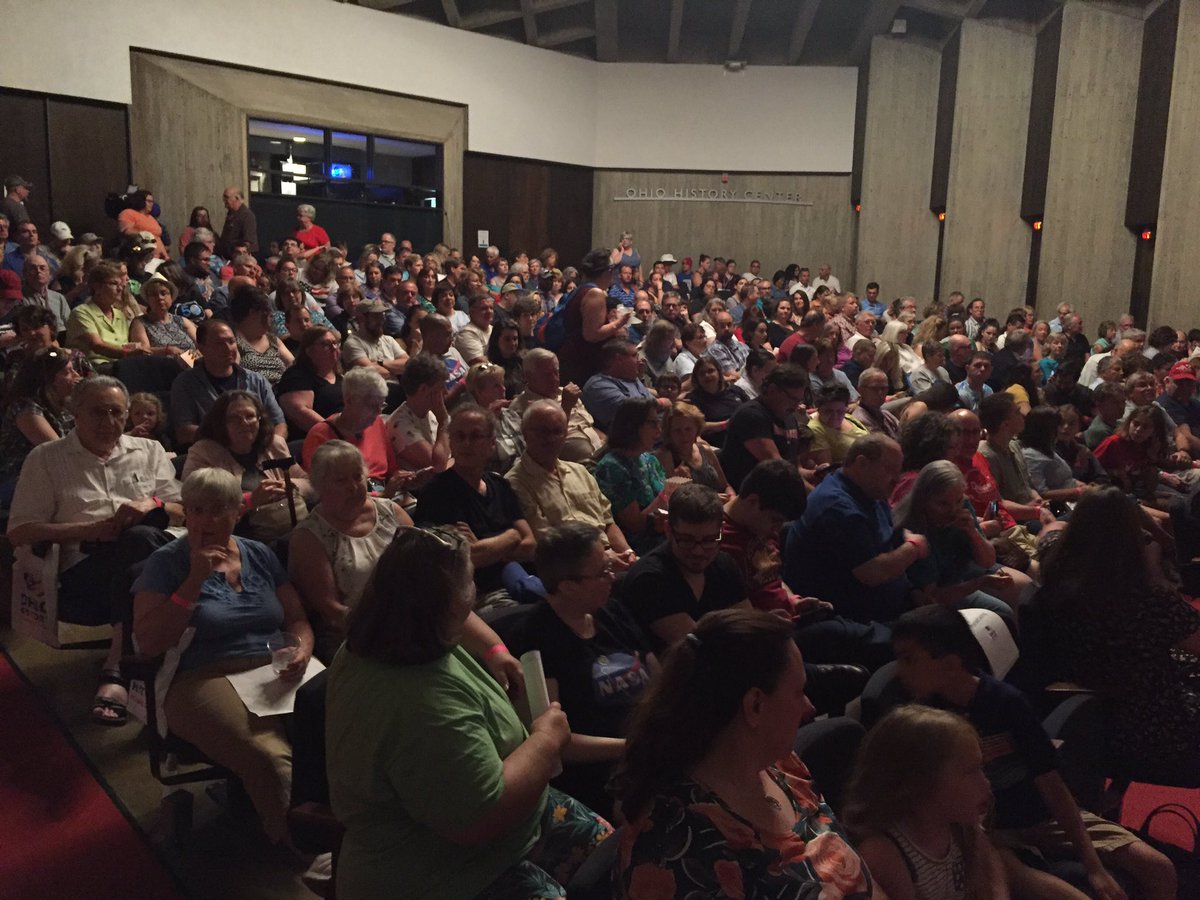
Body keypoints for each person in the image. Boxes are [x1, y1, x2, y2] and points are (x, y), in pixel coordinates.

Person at [325, 526, 612, 898]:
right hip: (452, 870)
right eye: (471, 583)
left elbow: (467, 621)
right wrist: (547, 738)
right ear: (448, 604)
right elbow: (480, 818)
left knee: (626, 855)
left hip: (521, 823)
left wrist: (495, 651)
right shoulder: (423, 706)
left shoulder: (396, 630)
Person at [892, 605, 1174, 900]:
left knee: (1159, 868)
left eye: (908, 659)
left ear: (950, 663)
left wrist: (1095, 867)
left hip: (1039, 817)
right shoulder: (921, 719)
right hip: (987, 833)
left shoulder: (1005, 702)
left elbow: (1051, 784)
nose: (899, 671)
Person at [611, 608, 873, 899]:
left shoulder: (781, 766)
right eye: (799, 691)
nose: (809, 707)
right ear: (755, 706)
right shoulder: (676, 851)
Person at [132, 467, 311, 844]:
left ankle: (358, 830)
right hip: (200, 676)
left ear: (237, 513)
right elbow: (149, 642)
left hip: (272, 670)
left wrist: (301, 651)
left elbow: (297, 619)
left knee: (343, 724)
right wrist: (194, 580)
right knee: (268, 756)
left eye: (218, 510)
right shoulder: (167, 563)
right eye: (197, 510)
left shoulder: (259, 554)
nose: (207, 520)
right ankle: (304, 846)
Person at [8, 377, 181, 724]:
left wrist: (153, 501)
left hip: (151, 559)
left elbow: (182, 508)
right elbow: (19, 532)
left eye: (116, 413)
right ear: (74, 413)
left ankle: (118, 662)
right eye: (97, 413)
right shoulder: (46, 459)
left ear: (128, 414)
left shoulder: (149, 452)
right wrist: (93, 531)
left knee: (139, 542)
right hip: (83, 571)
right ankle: (132, 667)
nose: (108, 423)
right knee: (138, 547)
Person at [1041, 487, 1200, 783]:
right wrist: (1154, 573)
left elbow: (1049, 533)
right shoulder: (1148, 601)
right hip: (1158, 731)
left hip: (1092, 721)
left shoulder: (1056, 579)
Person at [502, 523, 657, 817]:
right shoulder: (535, 639)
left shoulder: (612, 612)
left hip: (650, 749)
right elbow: (555, 743)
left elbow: (658, 678)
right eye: (602, 572)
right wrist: (632, 747)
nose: (612, 577)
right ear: (567, 585)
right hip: (602, 774)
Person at [843, 704, 1006, 900]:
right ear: (921, 784)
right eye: (971, 772)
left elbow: (988, 869)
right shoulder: (886, 855)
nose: (985, 782)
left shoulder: (960, 826)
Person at [784, 434, 928, 629]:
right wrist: (914, 546)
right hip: (855, 620)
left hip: (893, 603)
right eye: (890, 470)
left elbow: (892, 534)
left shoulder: (870, 493)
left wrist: (913, 590)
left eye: (898, 471)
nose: (897, 479)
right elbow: (873, 573)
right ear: (861, 463)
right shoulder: (838, 508)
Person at [290, 440, 414, 662]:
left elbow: (424, 562)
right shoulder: (309, 537)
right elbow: (331, 611)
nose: (353, 486)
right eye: (341, 480)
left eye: (357, 476)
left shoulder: (391, 512)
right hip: (355, 635)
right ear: (319, 486)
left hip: (409, 616)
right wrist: (388, 624)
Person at [414, 405, 539, 609]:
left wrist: (487, 546)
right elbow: (465, 559)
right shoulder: (437, 493)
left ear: (491, 444)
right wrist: (511, 537)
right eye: (460, 436)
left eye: (475, 436)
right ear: (451, 442)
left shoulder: (500, 485)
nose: (466, 443)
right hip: (476, 596)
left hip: (523, 581)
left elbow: (530, 545)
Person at [892, 461, 1026, 630]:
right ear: (923, 501)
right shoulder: (916, 532)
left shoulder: (962, 507)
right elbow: (933, 597)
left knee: (1021, 598)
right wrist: (980, 582)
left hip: (959, 578)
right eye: (943, 504)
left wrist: (973, 532)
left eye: (957, 501)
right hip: (932, 600)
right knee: (1001, 613)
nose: (953, 510)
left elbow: (987, 561)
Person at [505, 400, 637, 570]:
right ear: (525, 433)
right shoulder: (515, 483)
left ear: (566, 434)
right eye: (542, 431)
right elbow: (547, 543)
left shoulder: (580, 471)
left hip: (610, 560)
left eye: (557, 431)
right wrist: (604, 559)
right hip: (570, 570)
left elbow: (608, 522)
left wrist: (627, 553)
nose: (550, 438)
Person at [183, 390, 310, 544]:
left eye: (250, 416)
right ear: (220, 423)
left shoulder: (274, 444)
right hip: (244, 538)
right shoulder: (203, 452)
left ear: (259, 419)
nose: (244, 423)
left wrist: (288, 485)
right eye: (234, 418)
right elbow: (197, 502)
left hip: (298, 528)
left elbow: (310, 485)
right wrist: (250, 500)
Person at [169, 319, 286, 447]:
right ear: (202, 348)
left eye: (231, 342)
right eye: (219, 343)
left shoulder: (256, 380)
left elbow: (279, 423)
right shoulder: (185, 384)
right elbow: (184, 431)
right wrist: (233, 438)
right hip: (214, 454)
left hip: (260, 450)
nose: (228, 348)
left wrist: (270, 445)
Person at [0, 347, 80, 505]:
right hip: (19, 477)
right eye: (68, 371)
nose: (76, 376)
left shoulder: (64, 405)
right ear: (47, 378)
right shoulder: (26, 407)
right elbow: (57, 451)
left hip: (54, 473)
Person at [593, 398, 670, 555]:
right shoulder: (613, 467)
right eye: (653, 424)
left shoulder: (649, 459)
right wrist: (667, 493)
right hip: (641, 547)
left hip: (666, 534)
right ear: (633, 426)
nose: (659, 431)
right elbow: (635, 525)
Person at [501, 348, 603, 464]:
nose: (555, 379)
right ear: (528, 376)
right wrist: (566, 407)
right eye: (547, 375)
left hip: (599, 452)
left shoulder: (564, 392)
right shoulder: (522, 407)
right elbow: (539, 450)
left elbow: (587, 423)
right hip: (573, 466)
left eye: (556, 372)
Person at [720, 364, 813, 490]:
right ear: (772, 390)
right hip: (753, 497)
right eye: (792, 399)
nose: (796, 406)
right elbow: (779, 470)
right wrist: (816, 496)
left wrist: (814, 474)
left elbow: (795, 469)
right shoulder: (751, 415)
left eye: (799, 401)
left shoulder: (790, 418)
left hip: (779, 490)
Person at [559, 248, 633, 386]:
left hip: (574, 358)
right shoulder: (595, 293)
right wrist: (619, 322)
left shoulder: (580, 289)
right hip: (582, 363)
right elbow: (592, 334)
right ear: (608, 272)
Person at [66, 260, 144, 365]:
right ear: (97, 287)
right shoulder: (81, 312)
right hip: (94, 368)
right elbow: (97, 346)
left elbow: (124, 345)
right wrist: (128, 353)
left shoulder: (120, 315)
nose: (120, 288)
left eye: (120, 284)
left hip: (121, 365)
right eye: (113, 283)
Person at [386, 352, 451, 472]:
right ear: (424, 389)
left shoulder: (431, 413)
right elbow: (438, 465)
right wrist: (444, 421)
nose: (446, 392)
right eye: (441, 387)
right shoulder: (400, 424)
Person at [277, 326, 345, 439]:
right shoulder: (296, 376)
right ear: (309, 350)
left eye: (335, 343)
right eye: (325, 344)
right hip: (319, 440)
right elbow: (301, 413)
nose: (334, 348)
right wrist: (339, 434)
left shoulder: (339, 376)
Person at [654, 399, 731, 494]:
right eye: (677, 430)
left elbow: (725, 486)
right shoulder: (665, 456)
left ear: (697, 429)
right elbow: (671, 498)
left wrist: (731, 496)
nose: (684, 435)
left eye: (688, 429)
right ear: (669, 433)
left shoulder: (705, 450)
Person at [230, 285, 293, 386]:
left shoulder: (272, 339)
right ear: (252, 312)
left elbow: (292, 363)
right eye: (266, 310)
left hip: (282, 390)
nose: (271, 315)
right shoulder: (233, 340)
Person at [128, 272, 197, 359]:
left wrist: (191, 358)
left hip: (192, 363)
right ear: (147, 300)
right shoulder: (140, 323)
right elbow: (143, 352)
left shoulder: (181, 321)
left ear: (171, 297)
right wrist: (166, 351)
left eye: (164, 293)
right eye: (154, 294)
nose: (160, 298)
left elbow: (203, 345)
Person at [685, 355, 746, 448]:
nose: (707, 376)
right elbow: (691, 426)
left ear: (719, 372)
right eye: (702, 373)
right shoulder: (692, 399)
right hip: (717, 445)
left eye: (710, 371)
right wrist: (724, 425)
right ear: (696, 378)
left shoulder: (735, 390)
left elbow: (751, 410)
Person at [806, 384, 869, 467]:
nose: (835, 416)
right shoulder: (815, 429)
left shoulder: (848, 417)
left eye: (840, 411)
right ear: (818, 409)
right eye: (828, 411)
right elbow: (827, 469)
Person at [218, 186, 258, 258]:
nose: (224, 200)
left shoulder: (247, 216)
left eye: (227, 197)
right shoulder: (231, 214)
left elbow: (248, 241)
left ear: (236, 198)